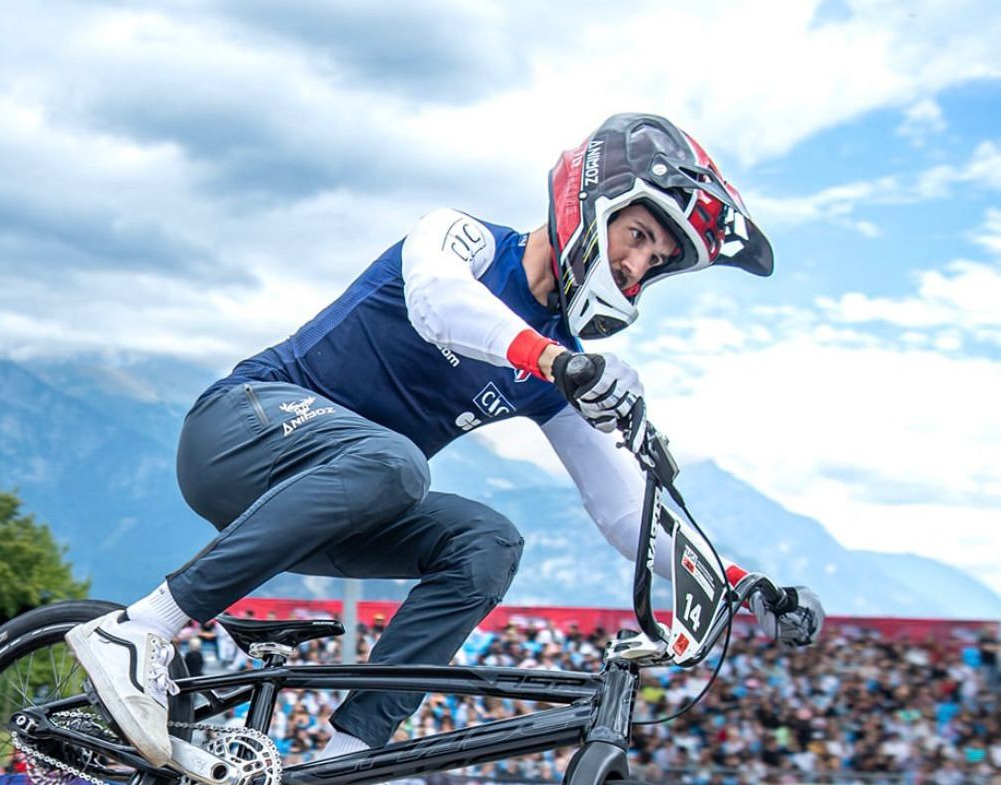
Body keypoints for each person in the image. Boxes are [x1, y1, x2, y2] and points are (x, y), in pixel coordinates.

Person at [66, 112, 825, 767]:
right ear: (593, 202)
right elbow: (440, 303)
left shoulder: (559, 365)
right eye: (637, 236)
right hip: (239, 430)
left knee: (489, 541)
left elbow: (626, 511)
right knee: (397, 462)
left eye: (654, 262)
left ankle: (344, 757)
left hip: (331, 502)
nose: (634, 265)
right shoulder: (464, 241)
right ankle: (142, 628)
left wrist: (739, 584)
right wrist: (557, 362)